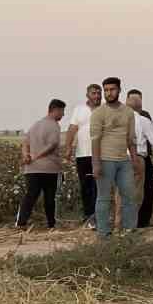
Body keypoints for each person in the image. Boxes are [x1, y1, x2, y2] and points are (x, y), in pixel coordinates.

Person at [90, 76, 139, 239]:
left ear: (119, 90)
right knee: (104, 198)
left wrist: (135, 160)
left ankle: (129, 231)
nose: (108, 93)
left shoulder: (128, 112)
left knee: (129, 196)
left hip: (123, 161)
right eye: (106, 90)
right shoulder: (98, 113)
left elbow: (131, 139)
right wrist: (95, 164)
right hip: (105, 159)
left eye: (112, 90)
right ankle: (104, 234)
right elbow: (95, 139)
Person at [17, 99, 66, 230]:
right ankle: (51, 224)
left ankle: (21, 223)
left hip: (31, 169)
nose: (63, 115)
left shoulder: (35, 125)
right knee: (50, 198)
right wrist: (37, 156)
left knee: (30, 195)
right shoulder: (54, 125)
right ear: (56, 110)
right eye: (62, 111)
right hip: (49, 168)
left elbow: (25, 143)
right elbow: (52, 144)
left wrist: (26, 155)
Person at [63, 83, 102, 228]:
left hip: (100, 155)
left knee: (99, 187)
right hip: (83, 155)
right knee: (86, 186)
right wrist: (68, 148)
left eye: (99, 93)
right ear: (88, 95)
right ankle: (88, 217)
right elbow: (72, 129)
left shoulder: (105, 109)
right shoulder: (79, 110)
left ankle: (98, 217)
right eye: (94, 93)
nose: (97, 96)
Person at [127, 88, 153, 228]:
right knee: (137, 192)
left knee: (124, 192)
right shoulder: (143, 119)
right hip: (139, 157)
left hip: (124, 158)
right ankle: (134, 223)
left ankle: (125, 224)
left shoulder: (120, 117)